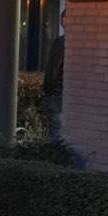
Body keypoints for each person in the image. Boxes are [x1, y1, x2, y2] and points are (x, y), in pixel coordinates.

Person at [42, 9, 66, 142]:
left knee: (56, 135)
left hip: (57, 96)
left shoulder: (61, 43)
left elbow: (52, 71)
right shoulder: (60, 43)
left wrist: (49, 92)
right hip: (58, 95)